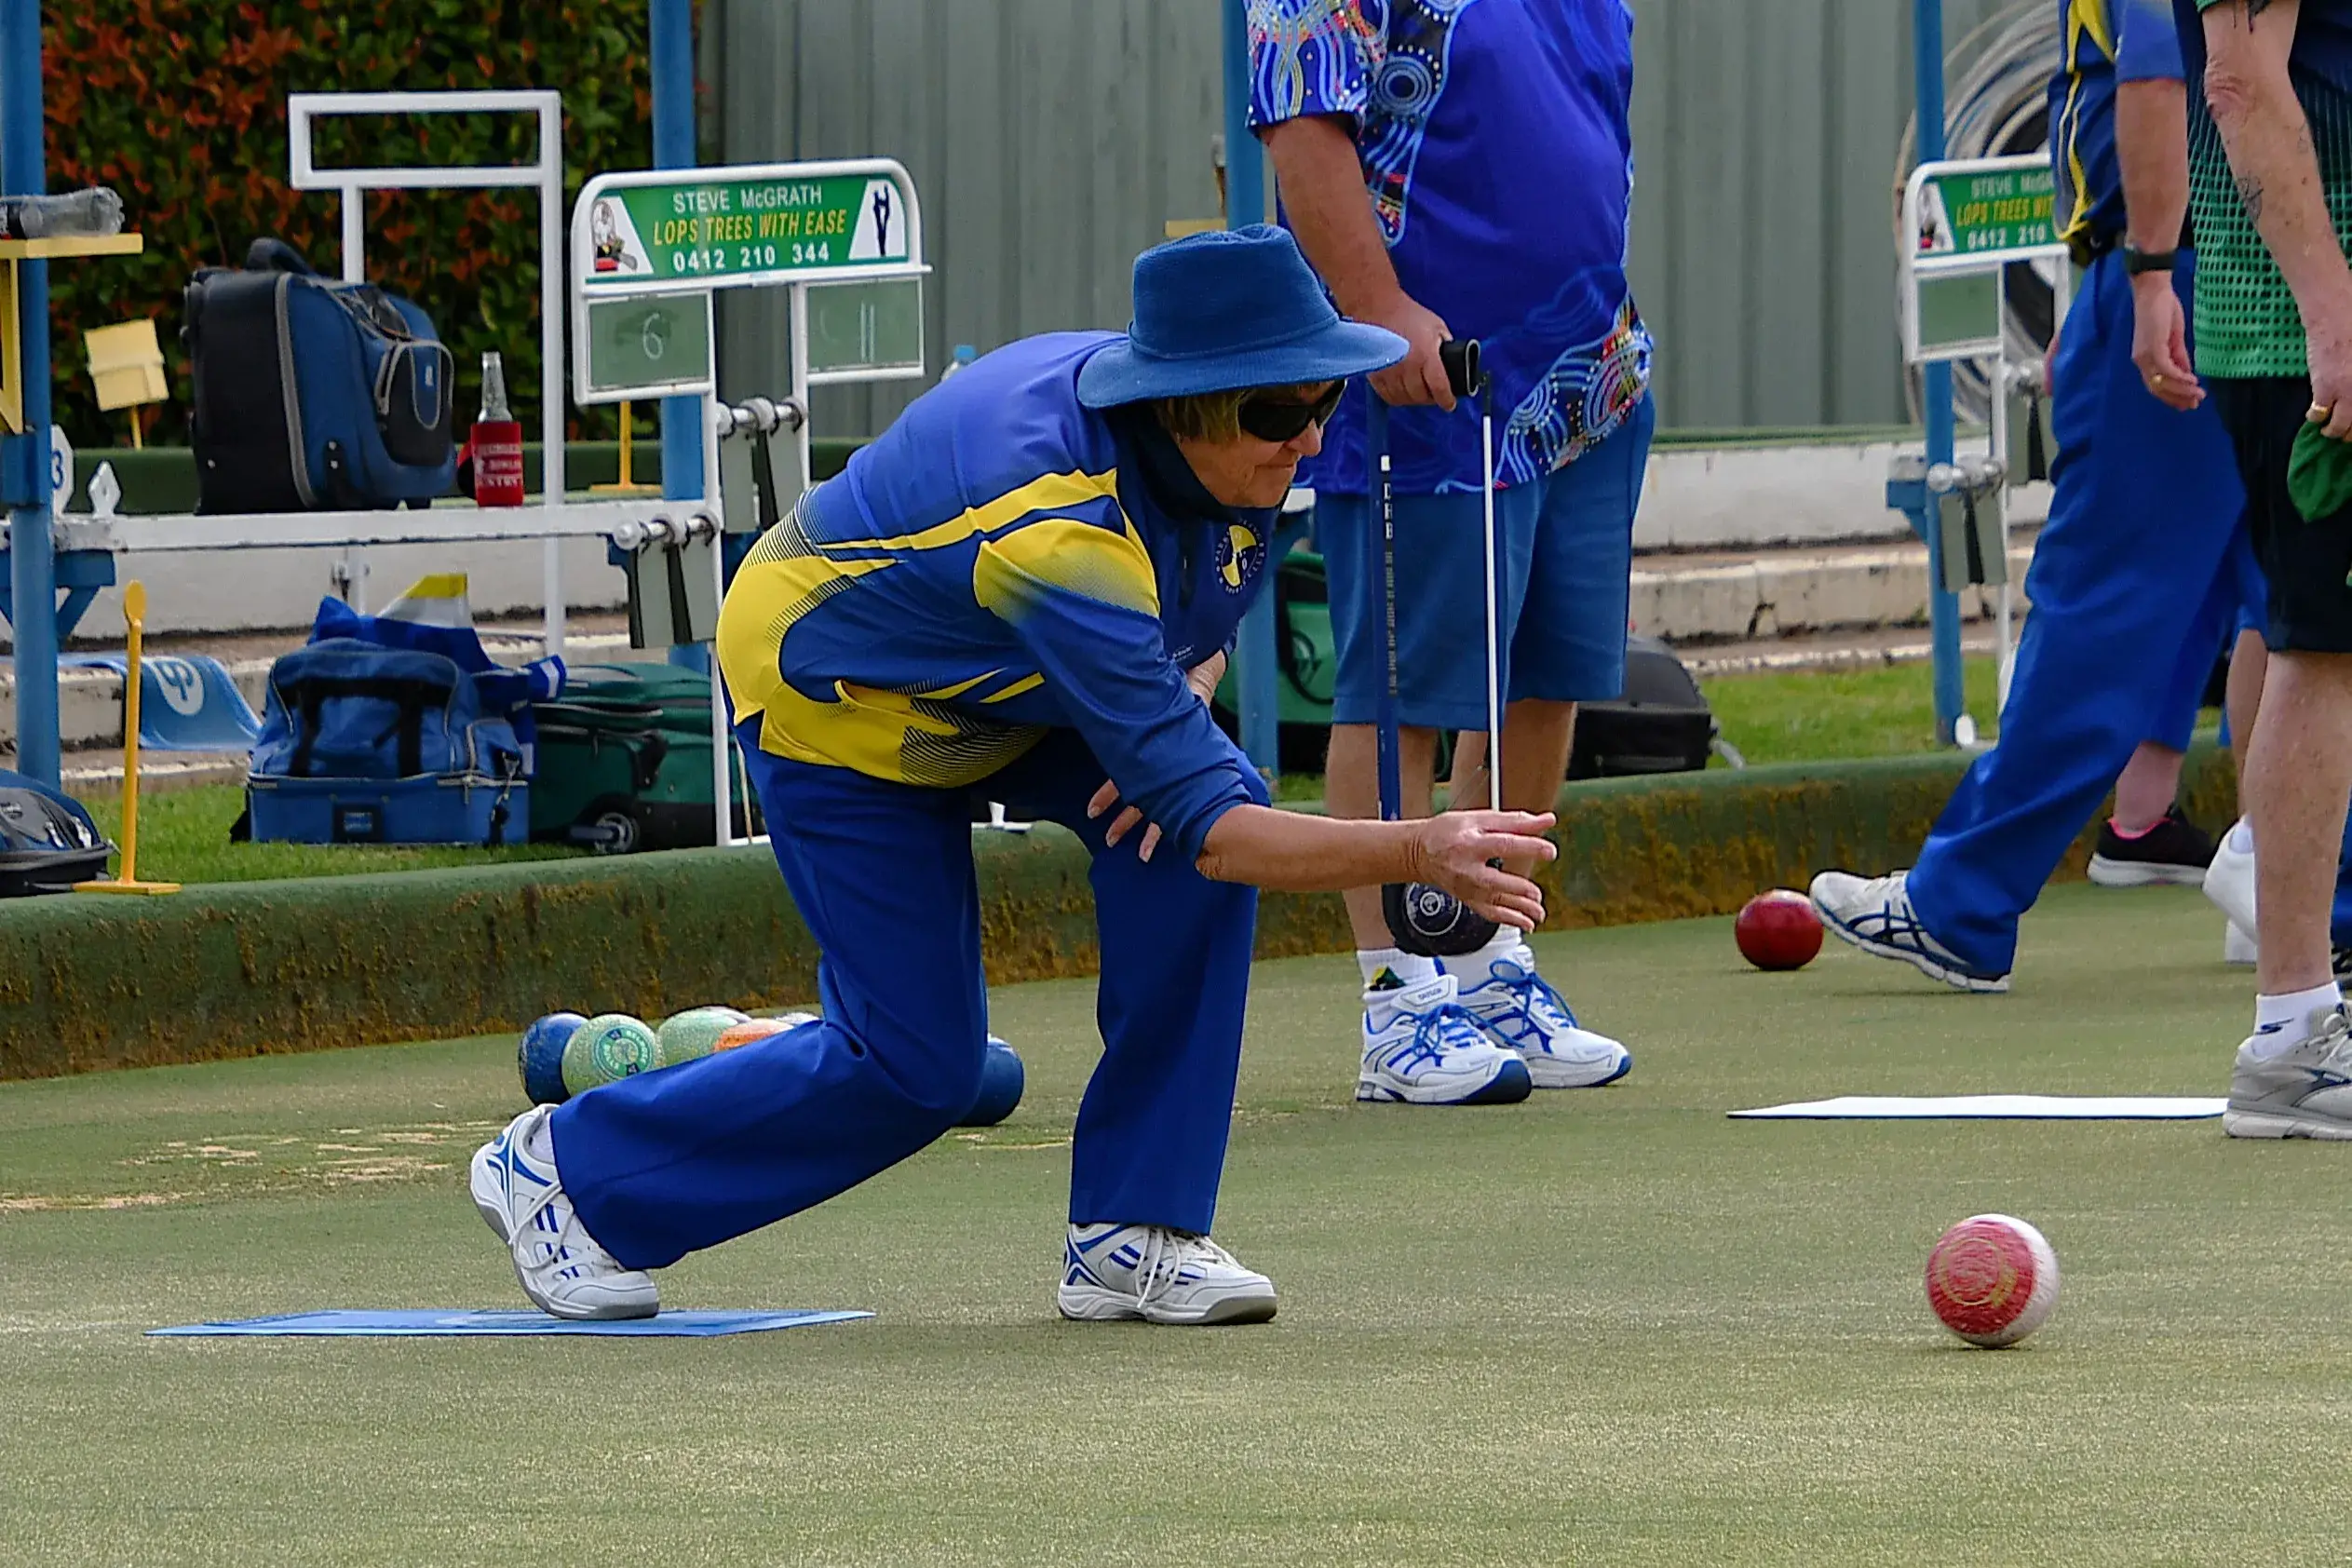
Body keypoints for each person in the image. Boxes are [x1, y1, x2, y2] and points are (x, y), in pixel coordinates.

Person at [465, 227, 1563, 1323]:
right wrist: (1421, 846)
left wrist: (1171, 720)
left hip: (1004, 672)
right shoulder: (1059, 530)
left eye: (1326, 400)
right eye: (1282, 414)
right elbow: (1223, 827)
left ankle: (1133, 1229)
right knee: (921, 1065)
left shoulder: (1234, 439)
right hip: (838, 696)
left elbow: (1202, 637)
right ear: (1181, 402)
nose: (1311, 437)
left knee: (1182, 834)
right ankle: (565, 1170)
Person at [1807, 0, 2260, 993]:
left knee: (2101, 602)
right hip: (2253, 270)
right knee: (2294, 607)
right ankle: (2314, 889)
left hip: (2182, 270)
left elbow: (2154, 77)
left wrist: (2138, 274)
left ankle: (1962, 899)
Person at [1250, 0, 1652, 1105]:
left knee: (1545, 677)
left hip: (1582, 377)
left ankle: (1488, 963)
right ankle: (1399, 995)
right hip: (1434, 383)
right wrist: (1374, 309)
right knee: (1399, 699)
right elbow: (1300, 129)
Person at [2174, 0, 2352, 1135]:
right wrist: (2336, 319)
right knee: (2324, 646)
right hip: (2302, 335)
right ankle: (2291, 1032)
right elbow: (2237, 78)